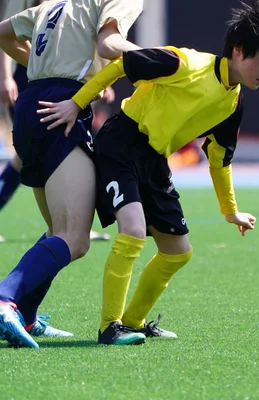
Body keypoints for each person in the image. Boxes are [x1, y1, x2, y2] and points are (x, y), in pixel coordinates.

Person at [38, 0, 259, 346]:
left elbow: (219, 160)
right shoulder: (186, 63)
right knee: (132, 229)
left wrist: (230, 211)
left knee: (178, 251)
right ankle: (109, 326)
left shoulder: (232, 103)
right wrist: (77, 103)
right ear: (238, 50)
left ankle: (133, 322)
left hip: (154, 159)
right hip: (122, 141)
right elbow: (121, 65)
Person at [0, 0, 143, 348]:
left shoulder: (53, 4)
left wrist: (42, 68)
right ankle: (5, 298)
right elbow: (109, 45)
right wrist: (166, 60)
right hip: (61, 108)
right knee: (75, 238)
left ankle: (27, 316)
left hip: (32, 108)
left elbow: (3, 34)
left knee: (56, 231)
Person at [0, 0, 112, 243]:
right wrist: (5, 76)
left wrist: (100, 78)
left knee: (44, 154)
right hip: (34, 81)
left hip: (56, 83)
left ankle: (69, 224)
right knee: (28, 156)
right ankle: (69, 225)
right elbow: (7, 31)